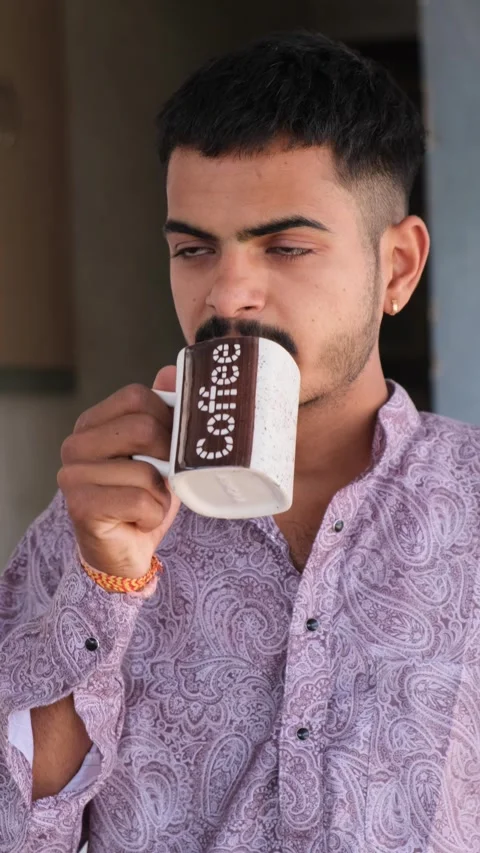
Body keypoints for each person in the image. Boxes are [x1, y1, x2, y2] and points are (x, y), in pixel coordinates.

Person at [1, 29, 479, 853]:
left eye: (286, 246)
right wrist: (101, 587)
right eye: (193, 249)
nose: (228, 293)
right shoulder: (92, 522)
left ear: (397, 267)